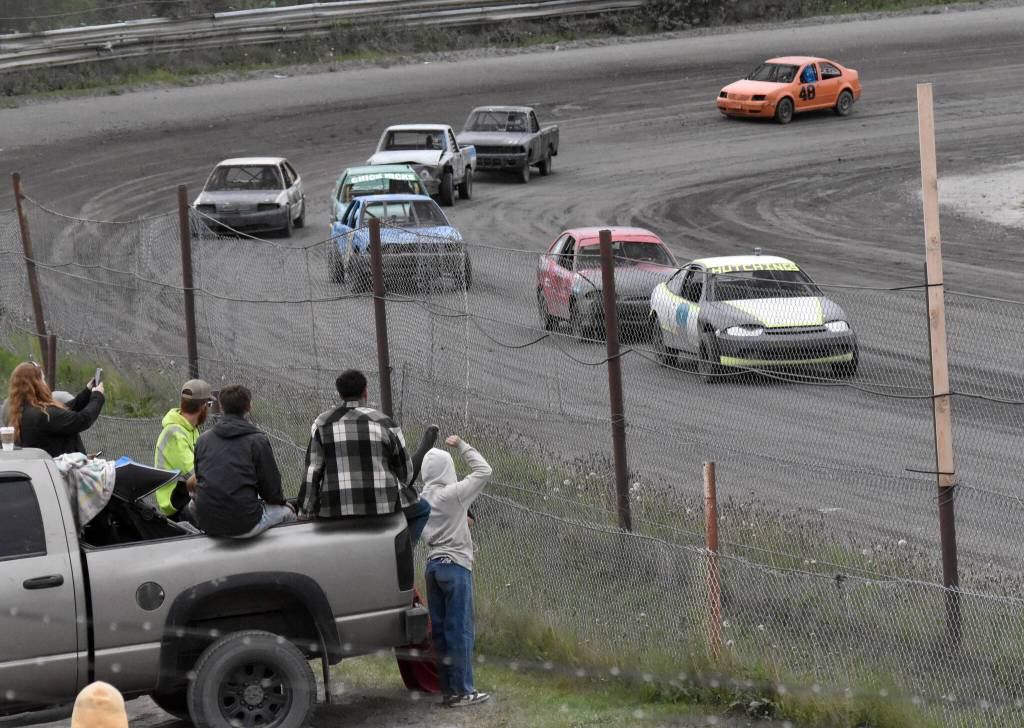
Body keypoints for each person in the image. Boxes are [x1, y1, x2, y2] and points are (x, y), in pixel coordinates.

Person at [298, 369, 430, 543]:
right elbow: (406, 474)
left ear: (340, 394)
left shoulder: (322, 424)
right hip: (382, 506)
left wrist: (305, 511)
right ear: (365, 391)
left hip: (336, 507)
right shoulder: (385, 423)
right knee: (423, 509)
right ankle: (402, 556)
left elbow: (312, 471)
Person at [420, 434, 492, 707]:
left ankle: (449, 689)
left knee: (440, 631)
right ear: (447, 469)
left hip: (432, 567)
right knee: (459, 629)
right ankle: (464, 691)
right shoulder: (454, 495)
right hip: (456, 567)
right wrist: (462, 445)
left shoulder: (422, 498)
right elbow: (484, 471)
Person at [193, 384, 295, 538]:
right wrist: (281, 502)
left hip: (206, 522)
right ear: (249, 406)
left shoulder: (203, 440)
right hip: (243, 523)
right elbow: (271, 489)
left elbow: (200, 478)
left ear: (221, 406)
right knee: (288, 512)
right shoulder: (257, 440)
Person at [6, 361, 105, 457]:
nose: (45, 383)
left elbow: (65, 410)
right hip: (61, 471)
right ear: (37, 384)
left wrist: (87, 392)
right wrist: (97, 397)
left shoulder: (24, 411)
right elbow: (82, 420)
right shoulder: (44, 414)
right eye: (43, 380)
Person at [153, 379, 212, 521]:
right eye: (209, 404)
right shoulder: (174, 433)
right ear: (202, 406)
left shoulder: (190, 429)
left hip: (184, 494)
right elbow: (196, 476)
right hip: (176, 503)